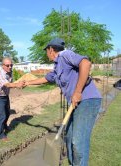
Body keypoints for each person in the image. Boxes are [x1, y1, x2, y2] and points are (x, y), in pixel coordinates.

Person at [24, 38, 102, 166]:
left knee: (78, 141)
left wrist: (77, 92)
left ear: (51, 49)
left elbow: (85, 63)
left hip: (87, 101)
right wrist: (27, 83)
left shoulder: (65, 55)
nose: (46, 54)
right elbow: (46, 78)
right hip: (75, 104)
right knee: (69, 138)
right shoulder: (57, 65)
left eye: (46, 51)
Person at [0, 57, 24, 141]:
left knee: (7, 113)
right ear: (2, 66)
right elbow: (7, 84)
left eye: (11, 65)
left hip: (5, 95)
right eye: (7, 65)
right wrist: (17, 85)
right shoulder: (0, 74)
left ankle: (5, 126)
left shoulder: (10, 72)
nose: (10, 67)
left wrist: (18, 85)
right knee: (1, 115)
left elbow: (11, 83)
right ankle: (1, 134)